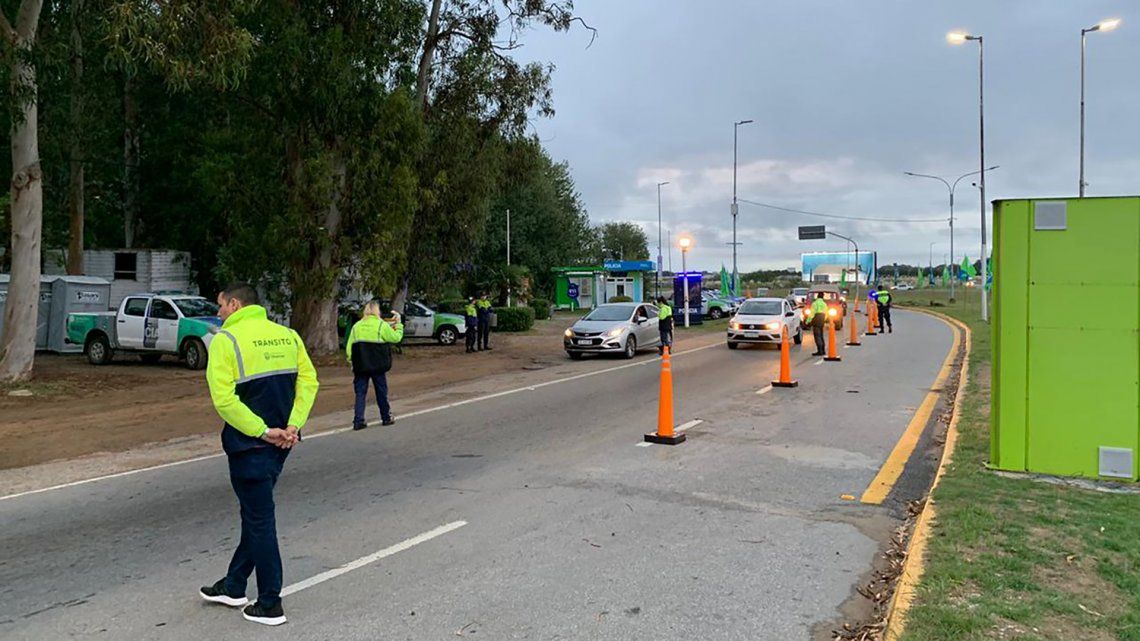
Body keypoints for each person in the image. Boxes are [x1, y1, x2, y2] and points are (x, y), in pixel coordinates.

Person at [199, 283, 319, 626]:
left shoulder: (226, 340)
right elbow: (309, 382)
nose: (218, 312)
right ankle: (234, 584)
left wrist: (263, 431)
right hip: (282, 444)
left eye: (220, 305)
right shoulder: (287, 335)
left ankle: (269, 602)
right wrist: (293, 426)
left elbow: (224, 401)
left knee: (260, 520)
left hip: (252, 444)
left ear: (235, 304)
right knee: (256, 514)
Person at [346, 301, 404, 430]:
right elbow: (396, 338)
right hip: (378, 364)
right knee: (381, 391)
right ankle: (386, 417)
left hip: (361, 365)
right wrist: (399, 325)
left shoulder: (357, 326)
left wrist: (351, 362)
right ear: (378, 311)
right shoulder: (381, 325)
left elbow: (349, 347)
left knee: (360, 393)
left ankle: (358, 420)